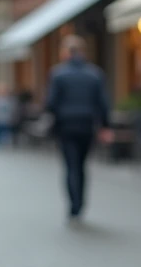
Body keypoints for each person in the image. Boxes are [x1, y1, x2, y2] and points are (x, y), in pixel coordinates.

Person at [45, 35, 110, 219]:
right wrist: (105, 125)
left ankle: (74, 204)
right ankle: (80, 202)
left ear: (67, 53)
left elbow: (50, 103)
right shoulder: (94, 74)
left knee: (70, 165)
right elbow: (103, 103)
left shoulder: (58, 74)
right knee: (81, 165)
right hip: (87, 125)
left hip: (66, 126)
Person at [0, 82, 17, 148]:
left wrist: (12, 117)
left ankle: (5, 144)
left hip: (7, 120)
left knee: (6, 134)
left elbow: (13, 109)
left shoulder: (10, 100)